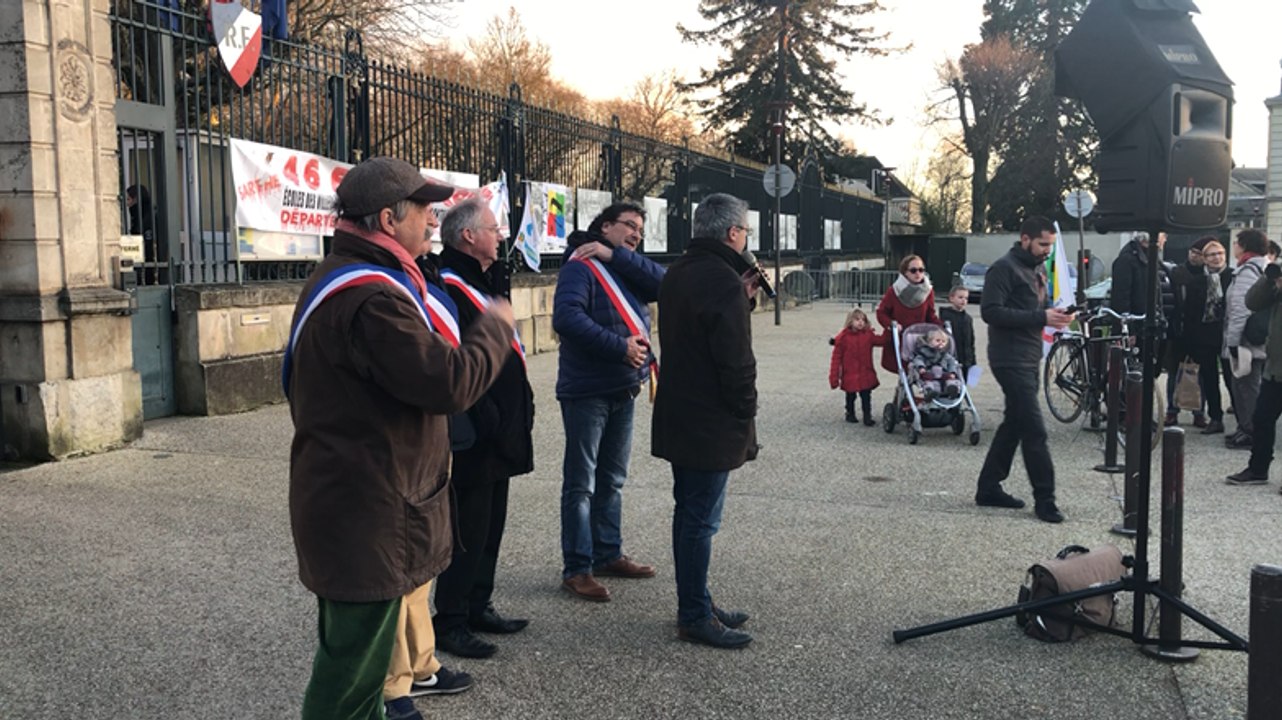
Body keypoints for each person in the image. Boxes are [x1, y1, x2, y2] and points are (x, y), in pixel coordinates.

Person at [286, 156, 515, 720]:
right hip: (367, 508)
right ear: (389, 219)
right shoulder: (373, 298)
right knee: (349, 678)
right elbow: (448, 382)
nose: (433, 221)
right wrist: (493, 328)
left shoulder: (362, 280)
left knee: (357, 670)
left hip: (364, 500)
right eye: (423, 210)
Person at [651, 193, 759, 649]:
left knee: (689, 512)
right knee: (701, 519)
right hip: (710, 415)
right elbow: (734, 358)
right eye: (746, 231)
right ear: (733, 232)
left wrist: (744, 300)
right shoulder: (722, 278)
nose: (746, 238)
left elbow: (700, 329)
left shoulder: (681, 269)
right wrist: (746, 407)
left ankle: (697, 599)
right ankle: (694, 612)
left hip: (681, 407)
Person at [431, 197, 536, 659]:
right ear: (469, 236)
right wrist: (489, 417)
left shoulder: (486, 278)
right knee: (468, 529)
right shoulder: (449, 285)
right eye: (493, 229)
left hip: (503, 428)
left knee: (492, 525)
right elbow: (458, 360)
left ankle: (478, 603)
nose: (500, 236)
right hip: (478, 431)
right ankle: (450, 620)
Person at [553, 202, 665, 602]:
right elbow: (567, 318)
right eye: (628, 227)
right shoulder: (578, 267)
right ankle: (578, 567)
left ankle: (607, 552)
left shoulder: (623, 265)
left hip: (624, 387)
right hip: (588, 390)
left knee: (612, 480)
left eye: (640, 229)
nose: (636, 234)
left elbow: (665, 286)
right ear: (604, 226)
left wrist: (615, 254)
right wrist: (618, 347)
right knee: (581, 484)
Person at [974, 215, 1074, 524]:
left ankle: (989, 487)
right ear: (1025, 239)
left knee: (1014, 424)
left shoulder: (1036, 268)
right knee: (1034, 430)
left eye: (1051, 245)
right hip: (1009, 359)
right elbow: (990, 311)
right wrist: (1042, 318)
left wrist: (1053, 315)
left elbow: (1032, 311)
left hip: (1029, 357)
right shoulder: (1003, 268)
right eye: (1043, 244)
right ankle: (1046, 499)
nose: (1047, 250)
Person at [1226, 257, 1282, 487]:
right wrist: (1270, 280)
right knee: (1262, 418)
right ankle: (1258, 469)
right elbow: (1252, 302)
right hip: (1276, 366)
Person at [1170, 237, 1231, 434]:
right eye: (1212, 255)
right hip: (1204, 337)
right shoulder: (1197, 281)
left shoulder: (1232, 276)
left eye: (1220, 253)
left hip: (1228, 334)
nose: (1216, 258)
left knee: (1232, 378)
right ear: (1204, 259)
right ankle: (1215, 417)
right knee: (1209, 378)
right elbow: (1190, 313)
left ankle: (1244, 420)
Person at [1223, 229, 1270, 450]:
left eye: (1236, 243)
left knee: (1246, 387)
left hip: (1246, 343)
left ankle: (1249, 431)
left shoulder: (1247, 270)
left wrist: (1232, 342)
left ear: (1244, 246)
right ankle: (1246, 428)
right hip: (1257, 339)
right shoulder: (1262, 266)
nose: (1233, 246)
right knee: (1245, 385)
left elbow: (1241, 309)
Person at [876, 254, 941, 374]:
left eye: (921, 270)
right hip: (900, 338)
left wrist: (941, 327)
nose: (918, 274)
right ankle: (903, 389)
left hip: (919, 339)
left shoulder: (928, 291)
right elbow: (881, 312)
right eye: (913, 270)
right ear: (905, 272)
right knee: (904, 371)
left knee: (921, 370)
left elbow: (930, 315)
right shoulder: (895, 290)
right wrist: (891, 324)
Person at [829, 307, 887, 425]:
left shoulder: (868, 335)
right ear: (850, 321)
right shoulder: (843, 338)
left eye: (863, 320)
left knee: (866, 396)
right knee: (851, 395)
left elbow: (882, 341)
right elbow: (836, 359)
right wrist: (834, 377)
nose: (860, 322)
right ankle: (850, 413)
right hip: (850, 372)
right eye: (857, 319)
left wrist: (889, 329)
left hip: (865, 371)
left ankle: (867, 416)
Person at [910, 328, 964, 400]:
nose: (941, 343)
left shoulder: (946, 355)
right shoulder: (923, 353)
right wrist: (921, 367)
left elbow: (952, 363)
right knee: (928, 383)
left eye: (943, 341)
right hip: (929, 374)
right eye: (937, 340)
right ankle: (929, 392)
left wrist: (952, 372)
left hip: (944, 374)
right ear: (929, 342)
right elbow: (918, 360)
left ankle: (952, 389)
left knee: (951, 380)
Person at [939, 284, 976, 378]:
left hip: (966, 358)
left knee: (966, 382)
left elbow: (971, 340)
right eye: (960, 297)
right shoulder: (945, 316)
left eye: (966, 298)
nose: (964, 300)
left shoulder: (968, 319)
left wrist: (972, 361)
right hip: (950, 357)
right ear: (951, 298)